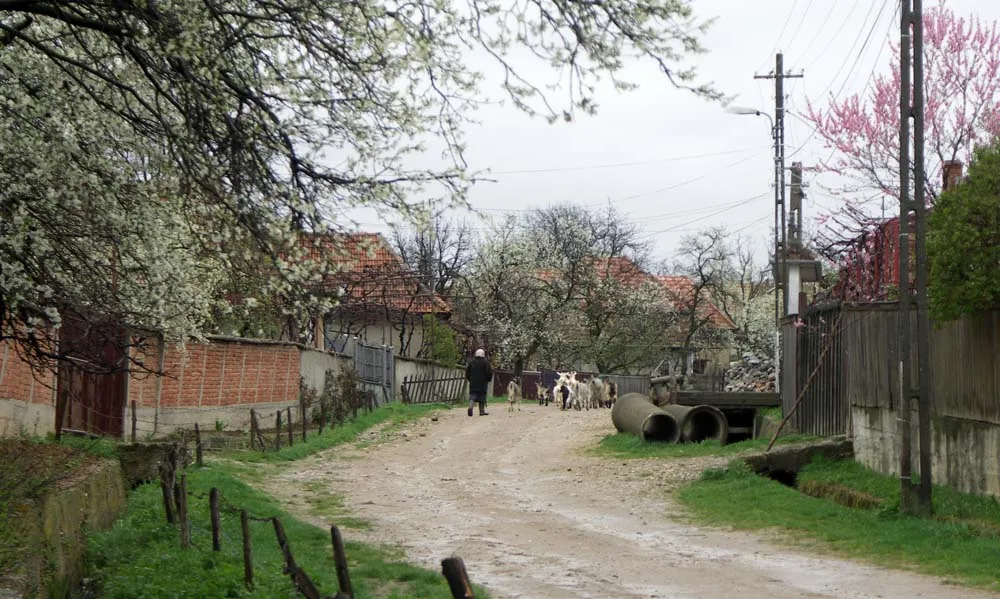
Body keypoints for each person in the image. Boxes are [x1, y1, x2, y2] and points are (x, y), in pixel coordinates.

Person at [465, 348, 493, 416]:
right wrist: (488, 379)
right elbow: (489, 372)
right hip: (482, 383)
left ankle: (470, 407)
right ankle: (481, 411)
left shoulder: (472, 362)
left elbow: (467, 373)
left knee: (473, 396)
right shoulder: (486, 362)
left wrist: (470, 379)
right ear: (483, 354)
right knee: (482, 397)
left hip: (473, 383)